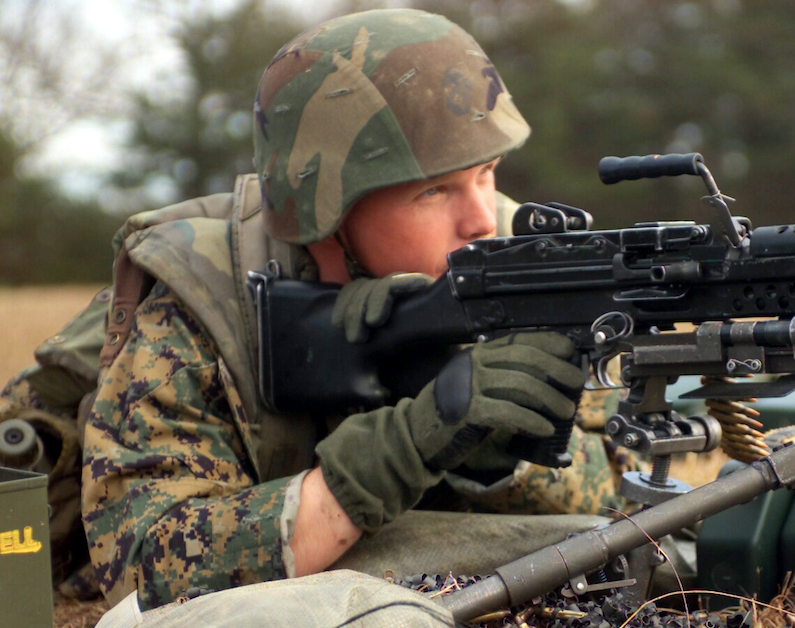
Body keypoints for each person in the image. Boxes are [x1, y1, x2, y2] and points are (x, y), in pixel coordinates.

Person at [10, 8, 634, 610]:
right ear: (326, 208)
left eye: (487, 172)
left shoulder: (512, 261)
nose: (481, 220)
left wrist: (501, 457)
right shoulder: (199, 307)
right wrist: (392, 454)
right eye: (434, 190)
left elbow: (617, 486)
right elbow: (146, 570)